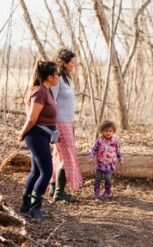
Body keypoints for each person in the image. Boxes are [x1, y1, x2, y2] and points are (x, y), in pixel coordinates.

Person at [18, 60, 60, 219]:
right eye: (57, 74)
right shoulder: (40, 92)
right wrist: (22, 133)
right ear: (50, 77)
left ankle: (26, 206)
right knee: (46, 171)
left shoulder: (46, 90)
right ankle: (35, 208)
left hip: (42, 136)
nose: (59, 77)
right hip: (36, 135)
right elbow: (31, 118)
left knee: (36, 171)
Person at [49, 48, 83, 203]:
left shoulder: (67, 79)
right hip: (60, 122)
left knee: (59, 155)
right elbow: (51, 102)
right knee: (67, 155)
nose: (74, 65)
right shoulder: (58, 80)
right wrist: (53, 125)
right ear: (64, 63)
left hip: (68, 121)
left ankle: (53, 186)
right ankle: (59, 192)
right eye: (72, 63)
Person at [88, 120, 124, 200]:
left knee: (108, 178)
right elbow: (94, 149)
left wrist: (120, 159)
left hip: (110, 164)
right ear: (102, 131)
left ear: (113, 131)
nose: (108, 133)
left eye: (110, 131)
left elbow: (118, 151)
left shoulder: (115, 141)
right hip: (100, 163)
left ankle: (107, 192)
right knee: (98, 178)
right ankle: (96, 192)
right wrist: (91, 157)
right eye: (106, 131)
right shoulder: (99, 140)